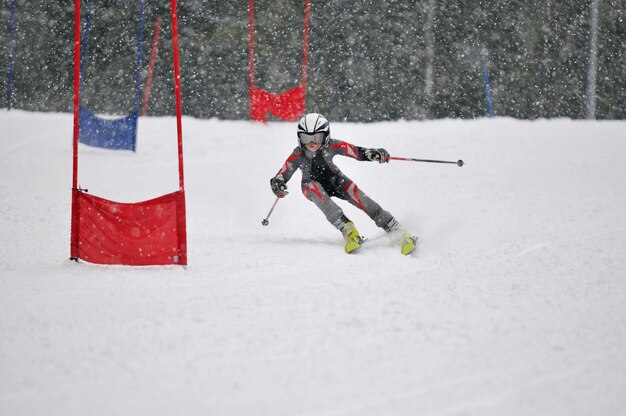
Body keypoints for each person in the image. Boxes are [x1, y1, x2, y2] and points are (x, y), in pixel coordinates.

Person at [270, 113, 417, 255]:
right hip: (311, 185)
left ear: (326, 136)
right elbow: (281, 175)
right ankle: (348, 230)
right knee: (316, 191)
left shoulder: (332, 145)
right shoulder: (298, 154)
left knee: (363, 200)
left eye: (317, 137)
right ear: (299, 138)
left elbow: (357, 152)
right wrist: (278, 185)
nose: (311, 143)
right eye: (305, 137)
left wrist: (374, 154)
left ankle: (395, 229)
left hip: (336, 181)